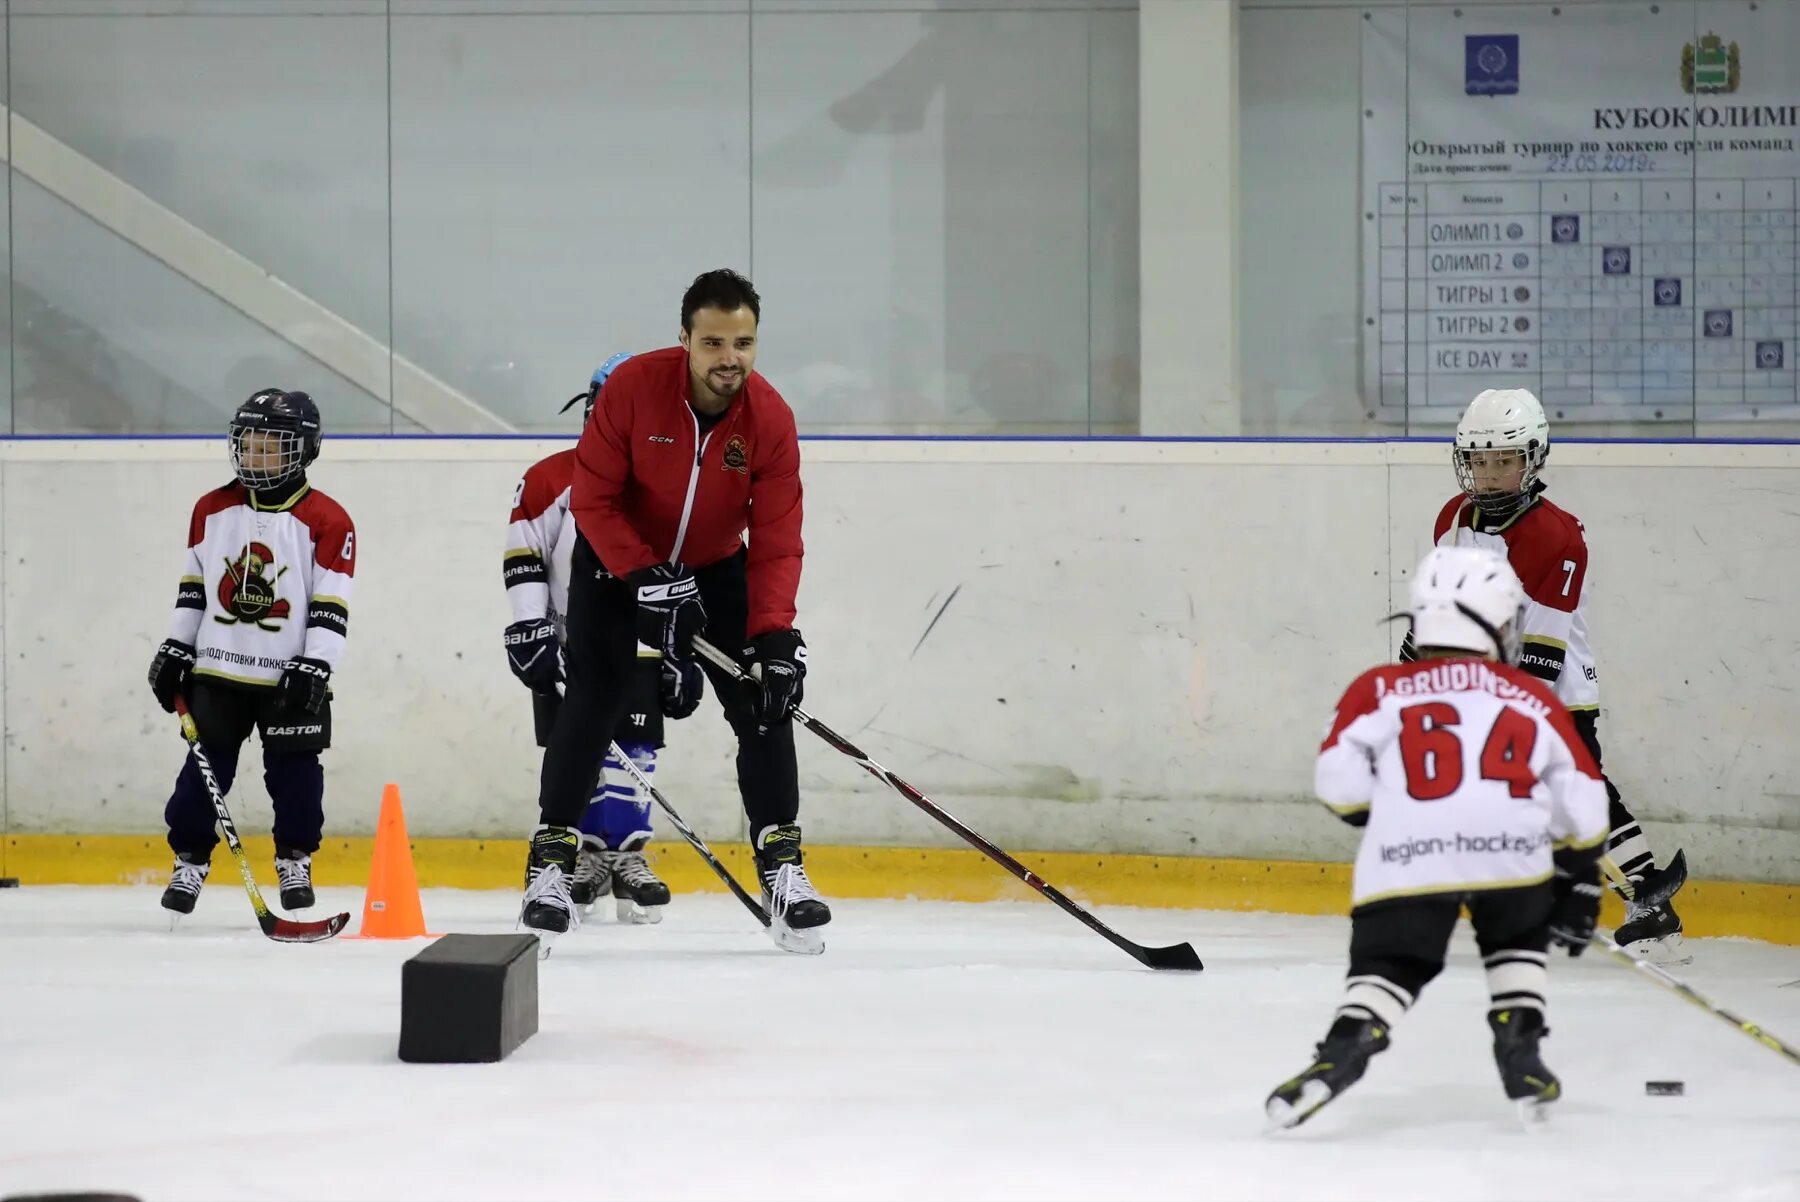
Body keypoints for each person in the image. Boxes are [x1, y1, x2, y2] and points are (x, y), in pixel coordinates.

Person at [519, 269, 827, 950]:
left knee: (762, 701)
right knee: (593, 701)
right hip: (613, 564)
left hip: (715, 566)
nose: (730, 359)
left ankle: (782, 865)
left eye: (743, 343)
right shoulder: (633, 390)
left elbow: (778, 539)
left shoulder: (769, 418)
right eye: (714, 342)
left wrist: (775, 635)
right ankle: (550, 862)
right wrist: (645, 577)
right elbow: (592, 500)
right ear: (684, 339)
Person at [1266, 546, 1610, 1129]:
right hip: (1512, 857)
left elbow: (1339, 784)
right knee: (1517, 941)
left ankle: (1342, 1050)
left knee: (1390, 966)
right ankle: (1521, 1048)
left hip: (1407, 857)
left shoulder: (1378, 687)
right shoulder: (1533, 696)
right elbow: (1584, 796)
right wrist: (1579, 875)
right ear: (1497, 624)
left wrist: (1393, 815)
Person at [1404, 387, 1687, 961]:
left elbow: (1543, 648)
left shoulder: (1556, 537)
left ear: (1532, 458)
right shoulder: (1452, 519)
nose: (1489, 473)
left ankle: (1649, 902)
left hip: (1559, 691)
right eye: (1479, 460)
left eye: (1503, 459)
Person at [503, 354, 703, 923]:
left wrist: (681, 651)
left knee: (636, 750)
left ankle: (628, 855)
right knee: (575, 750)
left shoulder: (673, 483)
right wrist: (529, 625)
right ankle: (583, 856)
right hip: (573, 642)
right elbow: (525, 554)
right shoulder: (550, 475)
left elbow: (689, 565)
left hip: (643, 643)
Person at [147, 389, 356, 917]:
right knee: (202, 775)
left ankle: (295, 858)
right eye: (249, 444)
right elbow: (194, 587)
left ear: (304, 450)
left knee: (298, 780)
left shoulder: (329, 520)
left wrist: (318, 662)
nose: (255, 456)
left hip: (291, 675)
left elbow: (332, 602)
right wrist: (176, 644)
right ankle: (190, 861)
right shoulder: (211, 509)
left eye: (271, 447)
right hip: (217, 670)